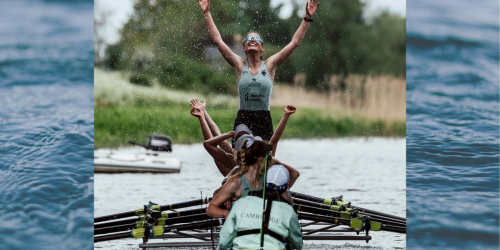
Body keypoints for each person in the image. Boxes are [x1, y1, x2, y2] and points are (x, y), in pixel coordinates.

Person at [198, 0, 320, 144]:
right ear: (243, 48)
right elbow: (218, 41)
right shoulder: (239, 65)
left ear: (262, 47)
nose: (252, 40)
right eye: (248, 39)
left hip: (264, 118)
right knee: (240, 159)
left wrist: (307, 18)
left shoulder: (270, 65)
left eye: (256, 38)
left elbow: (294, 43)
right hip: (243, 118)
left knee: (265, 161)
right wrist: (207, 13)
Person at [190, 98, 297, 177]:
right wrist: (202, 116)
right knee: (220, 145)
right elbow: (211, 140)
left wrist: (286, 115)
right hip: (235, 186)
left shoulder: (266, 160)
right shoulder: (233, 162)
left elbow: (274, 140)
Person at [206, 138, 299, 218]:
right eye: (269, 157)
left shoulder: (272, 183)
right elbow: (211, 207)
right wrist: (226, 213)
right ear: (260, 159)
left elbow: (289, 206)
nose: (272, 160)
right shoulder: (236, 182)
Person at [218, 165, 303, 250]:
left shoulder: (242, 203)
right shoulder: (288, 210)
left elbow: (224, 240)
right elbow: (298, 244)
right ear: (286, 187)